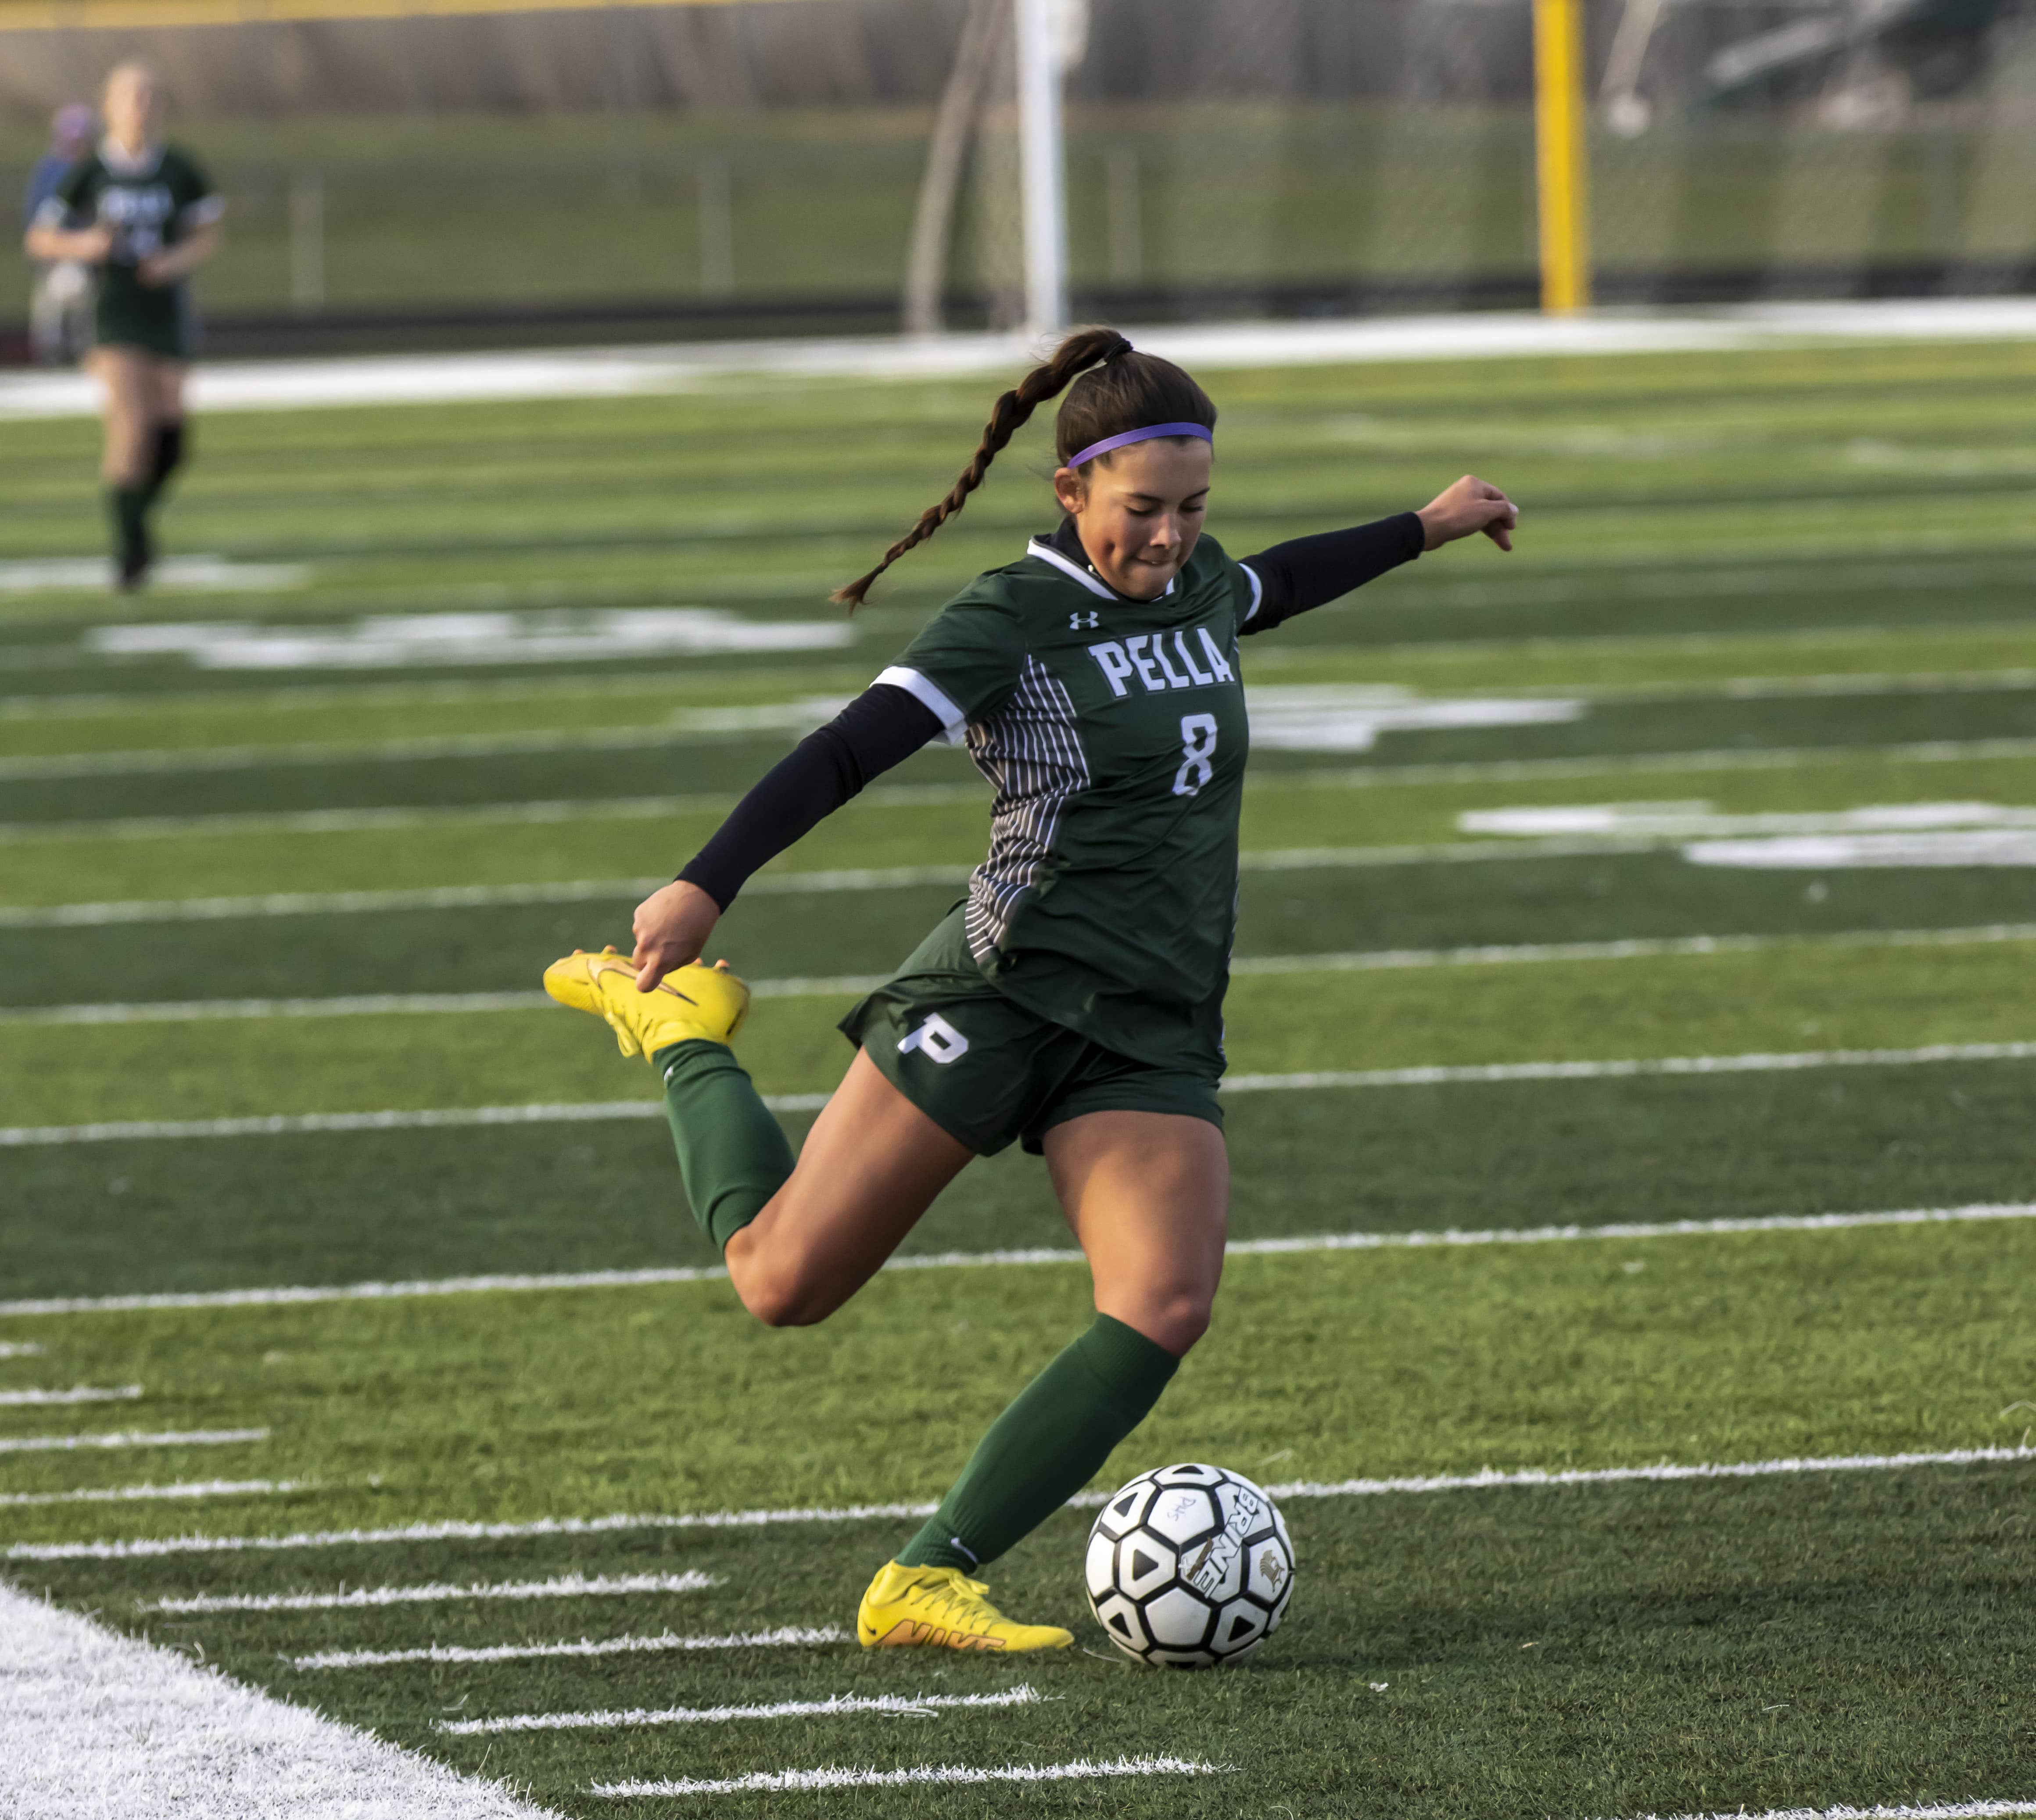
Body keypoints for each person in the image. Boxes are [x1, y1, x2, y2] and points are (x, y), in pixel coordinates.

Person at [544, 326, 1518, 1653]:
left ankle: (926, 1574)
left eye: (1191, 509)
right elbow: (845, 752)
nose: (1170, 537)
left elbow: (1277, 581)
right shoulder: (1011, 615)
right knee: (782, 1280)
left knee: (1162, 1301)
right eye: (1141, 511)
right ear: (1070, 492)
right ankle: (682, 1034)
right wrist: (705, 882)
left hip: (1154, 1021)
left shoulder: (1201, 586)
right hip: (1003, 989)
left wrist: (1427, 523)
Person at [22, 64, 222, 588]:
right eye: (129, 96)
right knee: (131, 425)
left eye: (149, 96)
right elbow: (41, 239)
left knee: (172, 437)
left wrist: (172, 263)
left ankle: (137, 519)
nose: (140, 106)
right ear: (109, 106)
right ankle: (130, 552)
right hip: (111, 308)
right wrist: (86, 245)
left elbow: (206, 236)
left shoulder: (178, 169)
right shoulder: (91, 173)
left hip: (164, 308)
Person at [22, 104, 97, 367]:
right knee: (54, 308)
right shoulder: (49, 172)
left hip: (94, 262)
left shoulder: (99, 170)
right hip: (57, 260)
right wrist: (71, 248)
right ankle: (52, 355)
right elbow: (38, 232)